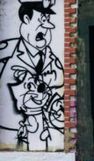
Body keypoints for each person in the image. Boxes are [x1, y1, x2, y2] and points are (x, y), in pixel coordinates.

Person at [0, 0, 64, 151]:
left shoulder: (49, 55)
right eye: (41, 23)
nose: (45, 31)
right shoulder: (10, 56)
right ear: (26, 19)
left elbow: (59, 77)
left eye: (47, 26)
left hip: (48, 131)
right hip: (20, 133)